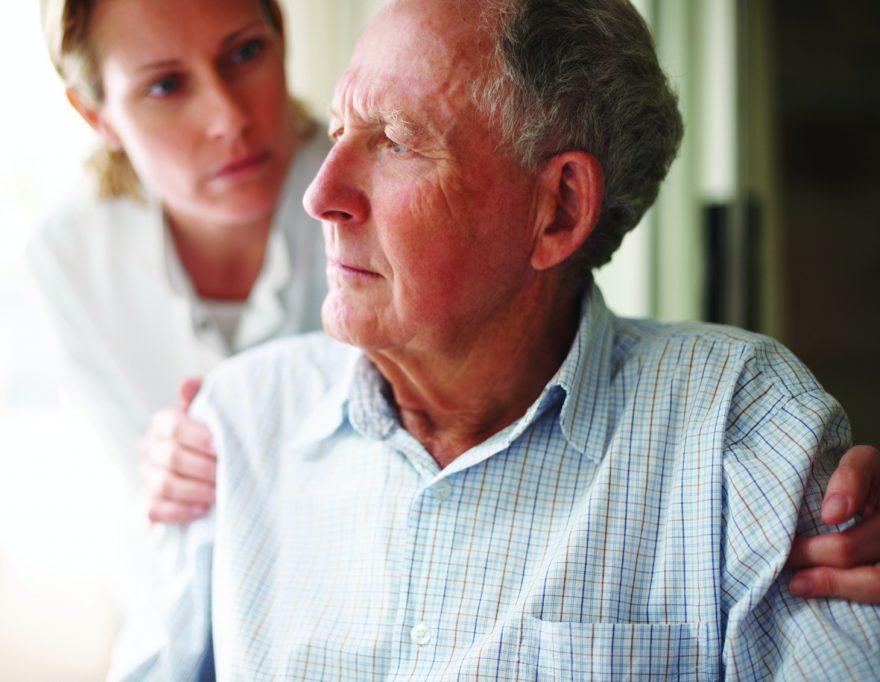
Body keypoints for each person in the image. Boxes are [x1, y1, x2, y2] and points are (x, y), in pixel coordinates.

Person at [111, 0, 880, 678]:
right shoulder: (233, 428)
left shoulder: (740, 431)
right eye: (340, 131)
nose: (320, 195)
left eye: (396, 142)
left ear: (559, 211)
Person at [28, 0, 329, 523]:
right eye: (165, 86)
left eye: (246, 52)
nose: (229, 118)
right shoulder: (68, 259)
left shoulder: (383, 198)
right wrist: (159, 481)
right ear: (96, 115)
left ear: (280, 33)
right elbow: (137, 506)